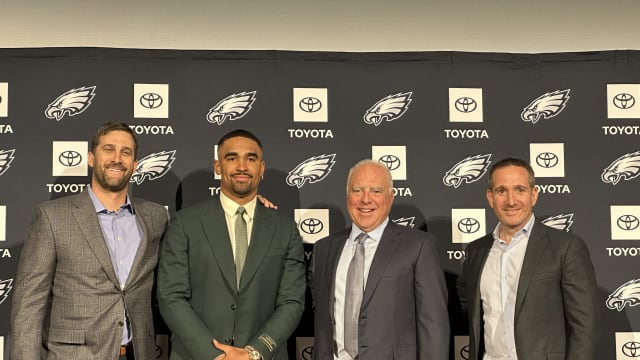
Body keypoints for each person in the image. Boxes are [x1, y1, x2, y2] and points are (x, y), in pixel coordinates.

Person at [10, 121, 169, 359]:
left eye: (126, 152)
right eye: (108, 149)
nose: (117, 158)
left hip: (139, 353)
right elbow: (29, 305)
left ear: (135, 165)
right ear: (91, 158)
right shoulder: (53, 217)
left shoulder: (156, 217)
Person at [157, 129, 305, 360]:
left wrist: (254, 352)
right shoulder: (185, 224)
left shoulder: (286, 229)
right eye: (232, 158)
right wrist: (215, 354)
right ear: (218, 167)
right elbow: (171, 296)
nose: (242, 166)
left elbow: (292, 302)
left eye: (251, 158)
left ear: (261, 168)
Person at [458, 157, 598, 360]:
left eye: (520, 190)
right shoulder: (476, 251)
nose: (511, 201)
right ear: (490, 197)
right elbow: (470, 311)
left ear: (534, 195)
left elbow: (585, 325)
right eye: (501, 191)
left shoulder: (565, 247)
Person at [311, 159, 450, 360]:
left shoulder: (419, 246)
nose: (365, 199)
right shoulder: (324, 249)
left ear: (391, 197)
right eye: (357, 190)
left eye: (376, 191)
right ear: (347, 195)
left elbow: (433, 324)